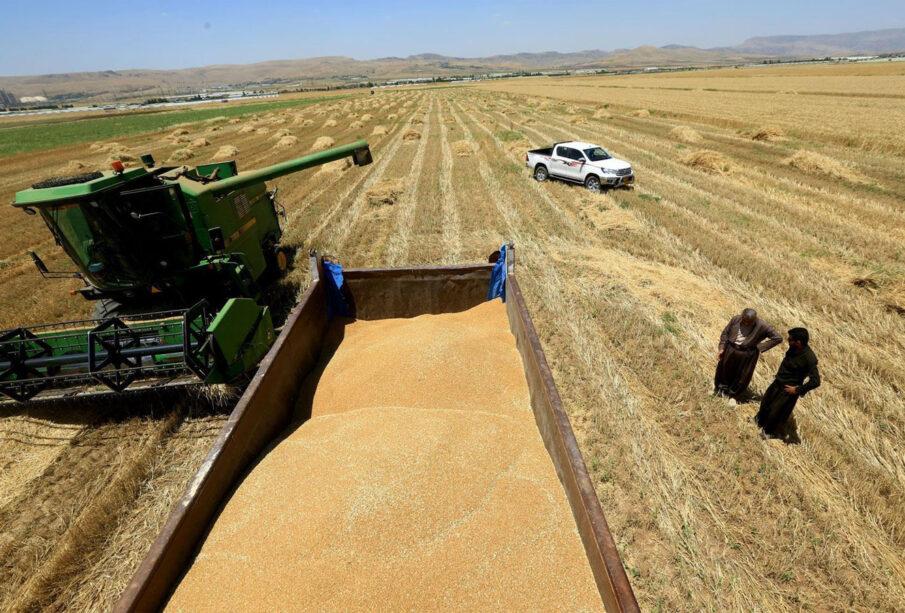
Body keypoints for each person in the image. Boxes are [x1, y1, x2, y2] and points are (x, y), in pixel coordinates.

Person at [756, 327, 821, 439]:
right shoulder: (793, 348)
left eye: (790, 339)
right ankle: (759, 421)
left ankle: (769, 432)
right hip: (778, 382)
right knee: (766, 402)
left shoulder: (809, 358)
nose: (788, 340)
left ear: (798, 342)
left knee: (776, 412)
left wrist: (796, 390)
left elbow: (816, 381)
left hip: (787, 390)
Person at [714, 308, 782, 399]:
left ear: (755, 319)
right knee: (724, 369)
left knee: (742, 376)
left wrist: (759, 347)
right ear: (742, 316)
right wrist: (722, 348)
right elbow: (725, 333)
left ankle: (733, 396)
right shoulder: (736, 319)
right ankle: (720, 390)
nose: (746, 324)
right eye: (744, 321)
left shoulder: (762, 325)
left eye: (749, 322)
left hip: (747, 354)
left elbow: (778, 338)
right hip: (730, 349)